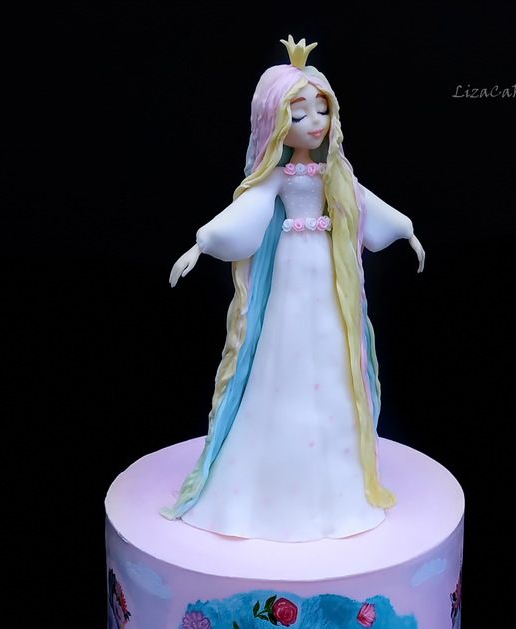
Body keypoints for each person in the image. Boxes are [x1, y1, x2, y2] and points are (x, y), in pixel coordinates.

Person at [160, 36, 425, 541]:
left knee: (331, 346)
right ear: (277, 121)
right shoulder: (280, 176)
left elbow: (366, 204)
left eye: (321, 110)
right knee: (284, 351)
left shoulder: (334, 174)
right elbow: (249, 210)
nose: (314, 122)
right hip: (290, 268)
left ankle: (339, 471)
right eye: (299, 113)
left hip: (326, 271)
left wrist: (406, 230)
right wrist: (203, 243)